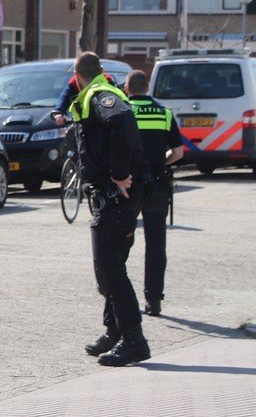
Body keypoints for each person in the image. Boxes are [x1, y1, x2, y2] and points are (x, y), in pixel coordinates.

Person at [69, 52, 152, 366]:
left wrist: (118, 174)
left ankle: (134, 340)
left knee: (110, 268)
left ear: (77, 76)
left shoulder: (100, 96)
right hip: (114, 194)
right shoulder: (97, 93)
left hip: (117, 194)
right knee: (110, 265)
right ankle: (114, 330)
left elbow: (121, 123)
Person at [123, 70, 184, 318]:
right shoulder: (164, 113)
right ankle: (154, 301)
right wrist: (160, 164)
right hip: (157, 184)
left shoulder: (123, 111)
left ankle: (119, 296)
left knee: (120, 242)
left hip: (128, 185)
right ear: (147, 87)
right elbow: (178, 153)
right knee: (156, 244)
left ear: (127, 88)